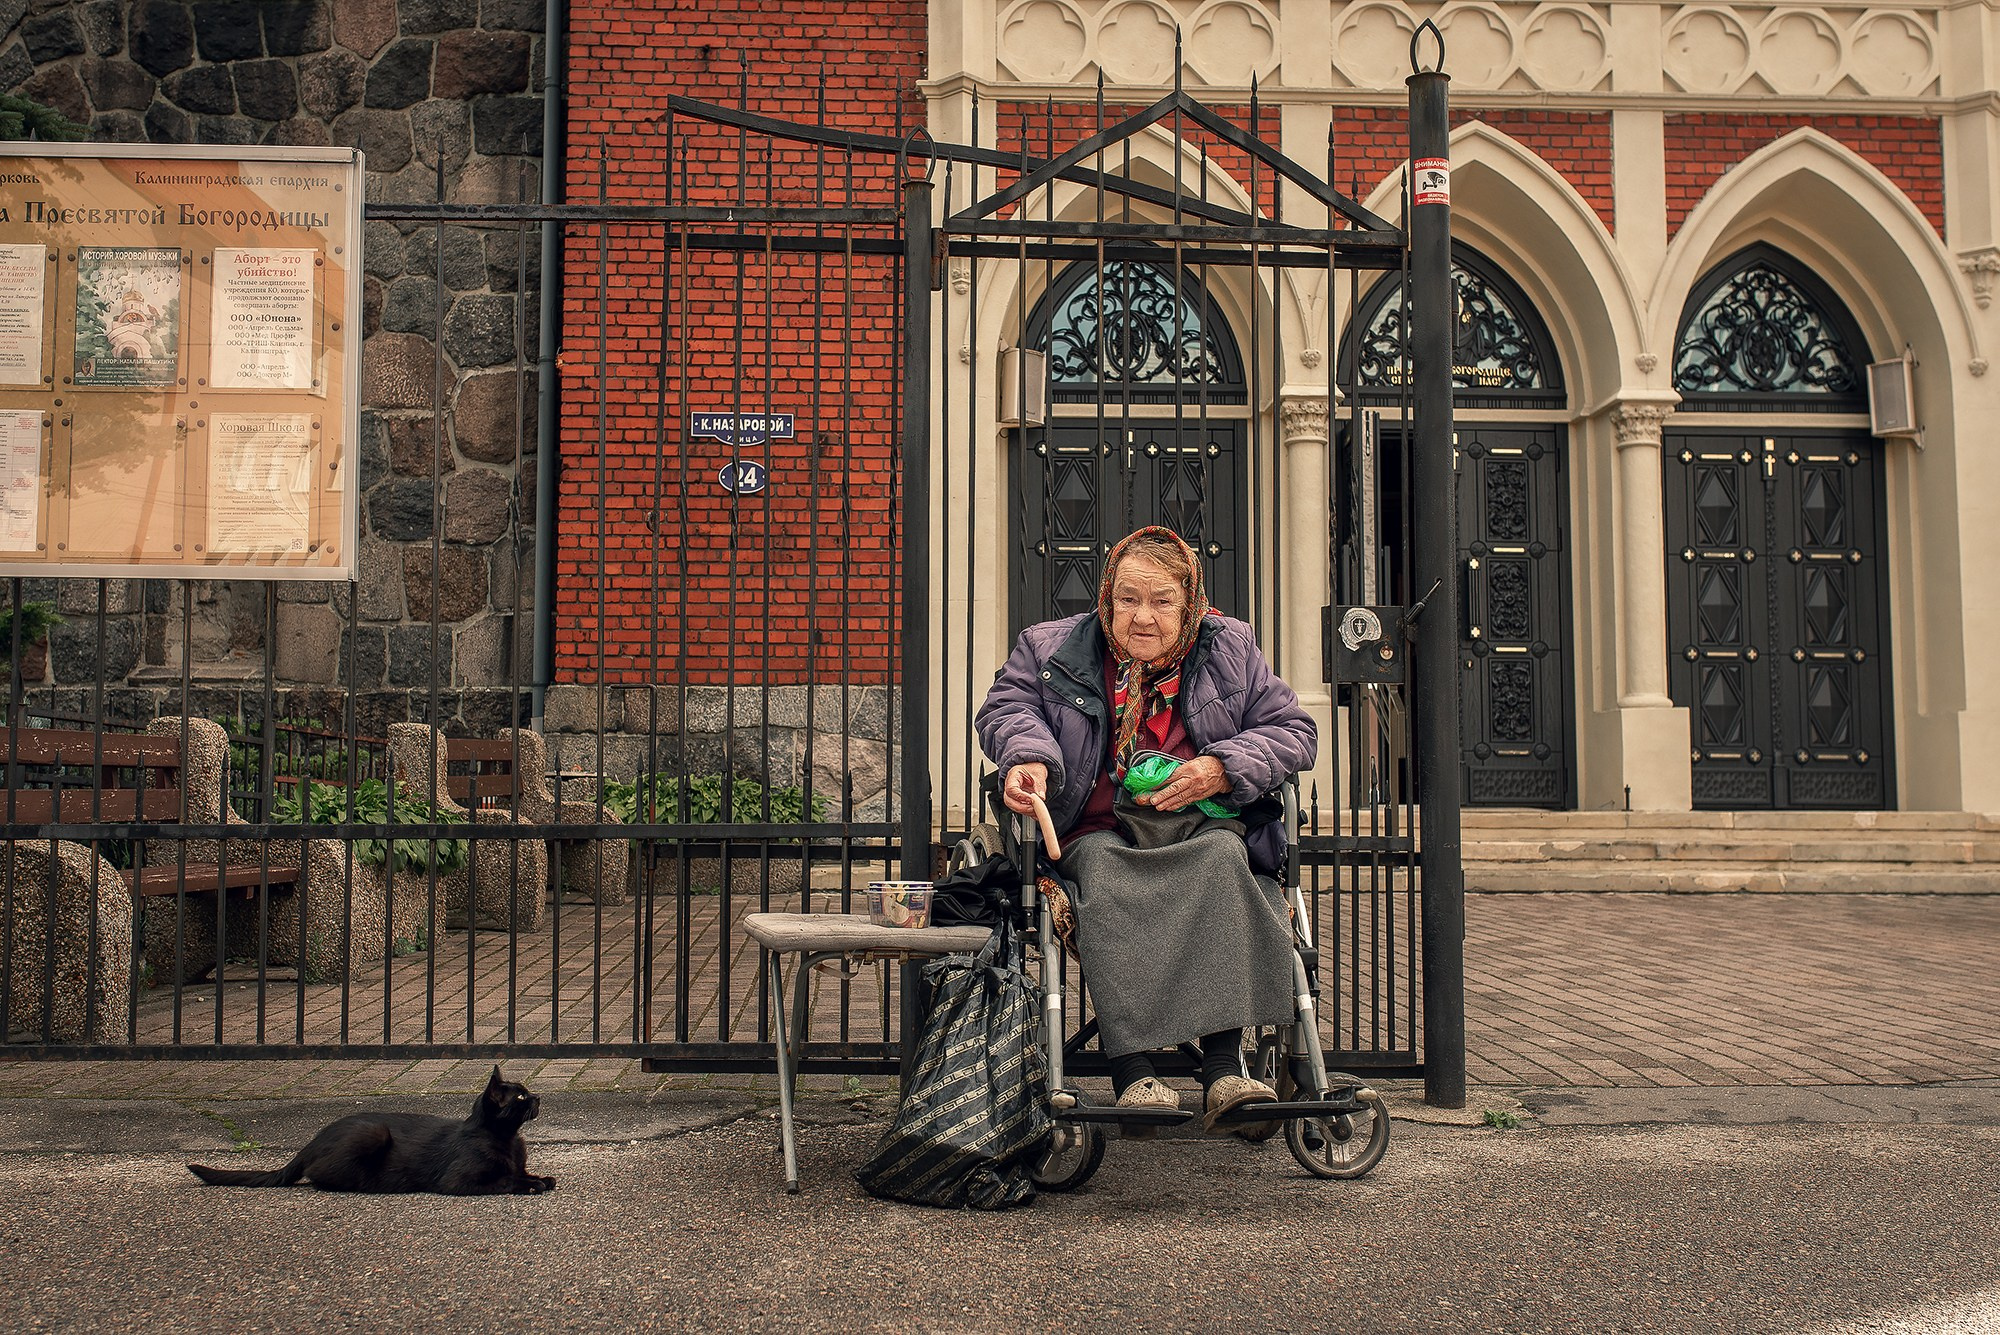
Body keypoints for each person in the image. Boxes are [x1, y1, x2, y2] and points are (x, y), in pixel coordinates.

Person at [974, 526, 1316, 1134]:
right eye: (1129, 598)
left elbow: (1293, 731)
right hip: (1096, 825)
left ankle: (1222, 1071)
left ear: (1190, 604)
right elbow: (1007, 708)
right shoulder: (1051, 647)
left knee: (1220, 859)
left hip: (1194, 825)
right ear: (1106, 596)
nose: (1143, 617)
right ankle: (1132, 1074)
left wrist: (1220, 767)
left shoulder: (1230, 647)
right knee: (1105, 872)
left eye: (1162, 601)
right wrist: (1030, 756)